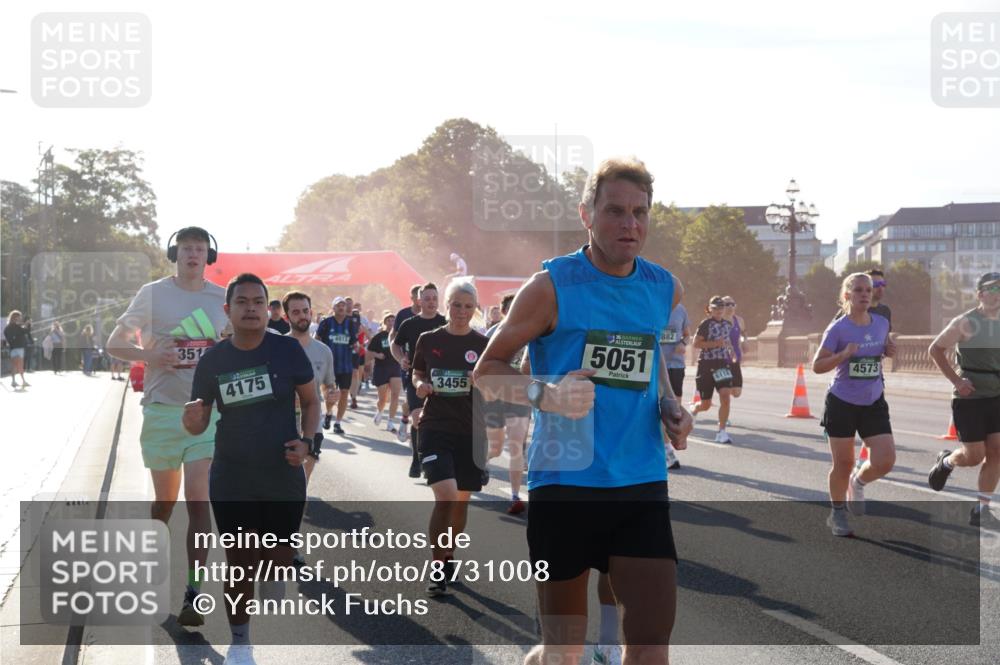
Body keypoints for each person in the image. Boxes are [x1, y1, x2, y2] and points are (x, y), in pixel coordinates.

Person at [473, 157, 693, 665]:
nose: (629, 224)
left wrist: (669, 403)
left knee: (651, 648)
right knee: (563, 652)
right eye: (614, 210)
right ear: (586, 214)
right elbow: (486, 373)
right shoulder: (549, 287)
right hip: (565, 484)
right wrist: (547, 394)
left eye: (639, 212)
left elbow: (650, 352)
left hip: (640, 482)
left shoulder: (665, 287)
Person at [184, 273, 317, 665]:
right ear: (228, 310)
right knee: (240, 560)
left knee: (276, 560)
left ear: (268, 308)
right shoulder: (214, 361)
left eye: (258, 301)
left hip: (282, 474)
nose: (251, 308)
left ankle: (275, 573)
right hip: (233, 475)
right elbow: (197, 423)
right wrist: (190, 419)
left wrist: (307, 443)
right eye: (242, 302)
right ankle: (240, 643)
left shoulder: (287, 350)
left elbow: (311, 401)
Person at [106, 225, 228, 627]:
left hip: (205, 414)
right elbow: (114, 343)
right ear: (175, 254)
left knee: (198, 500)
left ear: (208, 256)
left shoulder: (221, 298)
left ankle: (194, 592)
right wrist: (150, 357)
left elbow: (237, 346)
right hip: (161, 412)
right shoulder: (152, 294)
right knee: (164, 505)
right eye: (186, 248)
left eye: (200, 249)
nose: (193, 254)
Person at [411, 279, 489, 596]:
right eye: (456, 305)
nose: (461, 311)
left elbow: (496, 388)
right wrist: (419, 385)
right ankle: (437, 565)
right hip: (435, 427)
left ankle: (448, 555)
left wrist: (481, 382)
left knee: (460, 500)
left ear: (475, 309)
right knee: (446, 495)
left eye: (468, 306)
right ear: (447, 306)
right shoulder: (429, 339)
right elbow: (417, 371)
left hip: (470, 431)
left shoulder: (483, 344)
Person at [811, 272, 897, 537]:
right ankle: (837, 513)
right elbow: (817, 366)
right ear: (847, 295)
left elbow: (882, 349)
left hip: (873, 400)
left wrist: (889, 350)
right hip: (842, 402)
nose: (865, 294)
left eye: (868, 290)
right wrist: (843, 354)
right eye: (858, 290)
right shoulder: (837, 328)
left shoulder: (881, 323)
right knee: (843, 463)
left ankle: (858, 482)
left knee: (885, 460)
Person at [927, 271, 1000, 526]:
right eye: (993, 289)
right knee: (974, 456)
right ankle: (947, 461)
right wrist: (957, 381)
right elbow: (935, 349)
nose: (998, 294)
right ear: (980, 294)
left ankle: (981, 510)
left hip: (996, 396)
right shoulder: (966, 322)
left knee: (997, 451)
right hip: (969, 399)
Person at [392, 283, 447, 477]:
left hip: (441, 379)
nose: (431, 302)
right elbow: (395, 345)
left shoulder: (445, 322)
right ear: (419, 301)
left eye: (434, 298)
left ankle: (433, 456)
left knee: (437, 421)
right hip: (415, 376)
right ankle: (417, 458)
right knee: (417, 417)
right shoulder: (409, 324)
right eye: (427, 298)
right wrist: (401, 359)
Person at [484, 293, 531, 515]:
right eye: (511, 307)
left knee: (516, 445)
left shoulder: (531, 333)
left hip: (519, 397)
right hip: (496, 395)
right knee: (495, 448)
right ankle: (482, 463)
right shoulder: (493, 333)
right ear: (503, 311)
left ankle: (514, 495)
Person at [283, 291, 334, 483]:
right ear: (287, 316)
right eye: (296, 312)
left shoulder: (324, 351)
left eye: (305, 311)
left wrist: (331, 395)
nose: (302, 316)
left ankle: (300, 498)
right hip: (283, 422)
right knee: (285, 478)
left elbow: (328, 385)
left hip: (312, 422)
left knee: (304, 476)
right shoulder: (278, 347)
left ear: (311, 312)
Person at [691, 296, 736, 443]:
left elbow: (726, 341)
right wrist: (715, 343)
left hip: (721, 364)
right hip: (706, 364)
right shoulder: (706, 324)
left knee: (725, 396)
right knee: (706, 404)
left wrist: (732, 351)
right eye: (715, 308)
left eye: (721, 307)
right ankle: (695, 410)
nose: (719, 310)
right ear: (709, 309)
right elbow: (696, 344)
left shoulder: (727, 324)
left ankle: (721, 432)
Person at [315, 297, 356, 435]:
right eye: (338, 305)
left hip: (346, 365)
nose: (341, 307)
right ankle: (328, 413)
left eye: (343, 305)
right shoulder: (326, 323)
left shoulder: (350, 324)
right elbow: (317, 340)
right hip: (329, 366)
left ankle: (338, 423)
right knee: (331, 394)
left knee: (344, 393)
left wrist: (356, 348)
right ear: (333, 308)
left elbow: (354, 342)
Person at [390, 284, 423, 442]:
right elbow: (393, 337)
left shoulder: (435, 316)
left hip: (427, 366)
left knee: (421, 401)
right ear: (412, 298)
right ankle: (408, 422)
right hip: (408, 365)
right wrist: (400, 358)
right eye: (418, 297)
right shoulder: (403, 315)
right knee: (412, 400)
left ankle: (411, 423)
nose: (421, 300)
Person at [660, 303, 691, 469]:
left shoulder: (681, 310)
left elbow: (687, 335)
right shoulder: (653, 302)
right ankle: (667, 451)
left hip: (676, 365)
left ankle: (671, 444)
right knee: (657, 408)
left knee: (674, 410)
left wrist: (683, 344)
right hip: (655, 365)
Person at [368, 311, 402, 433]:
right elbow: (369, 351)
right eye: (389, 320)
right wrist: (378, 355)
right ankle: (380, 411)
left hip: (396, 367)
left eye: (393, 320)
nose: (391, 322)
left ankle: (390, 422)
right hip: (381, 368)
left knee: (395, 395)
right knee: (383, 398)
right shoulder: (379, 336)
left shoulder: (399, 335)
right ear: (384, 322)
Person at [722, 297, 744, 399]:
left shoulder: (739, 320)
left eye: (732, 304)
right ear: (722, 306)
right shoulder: (718, 321)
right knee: (725, 392)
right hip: (721, 360)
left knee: (736, 393)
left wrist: (744, 342)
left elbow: (743, 333)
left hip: (735, 359)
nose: (730, 306)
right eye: (727, 304)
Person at [3, 310, 29, 388]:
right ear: (16, 317)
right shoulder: (17, 326)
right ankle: (23, 381)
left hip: (12, 348)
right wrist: (27, 324)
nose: (20, 318)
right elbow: (26, 331)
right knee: (20, 365)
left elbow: (5, 334)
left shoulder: (8, 327)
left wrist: (10, 341)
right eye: (19, 317)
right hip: (19, 348)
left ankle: (13, 381)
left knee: (14, 365)